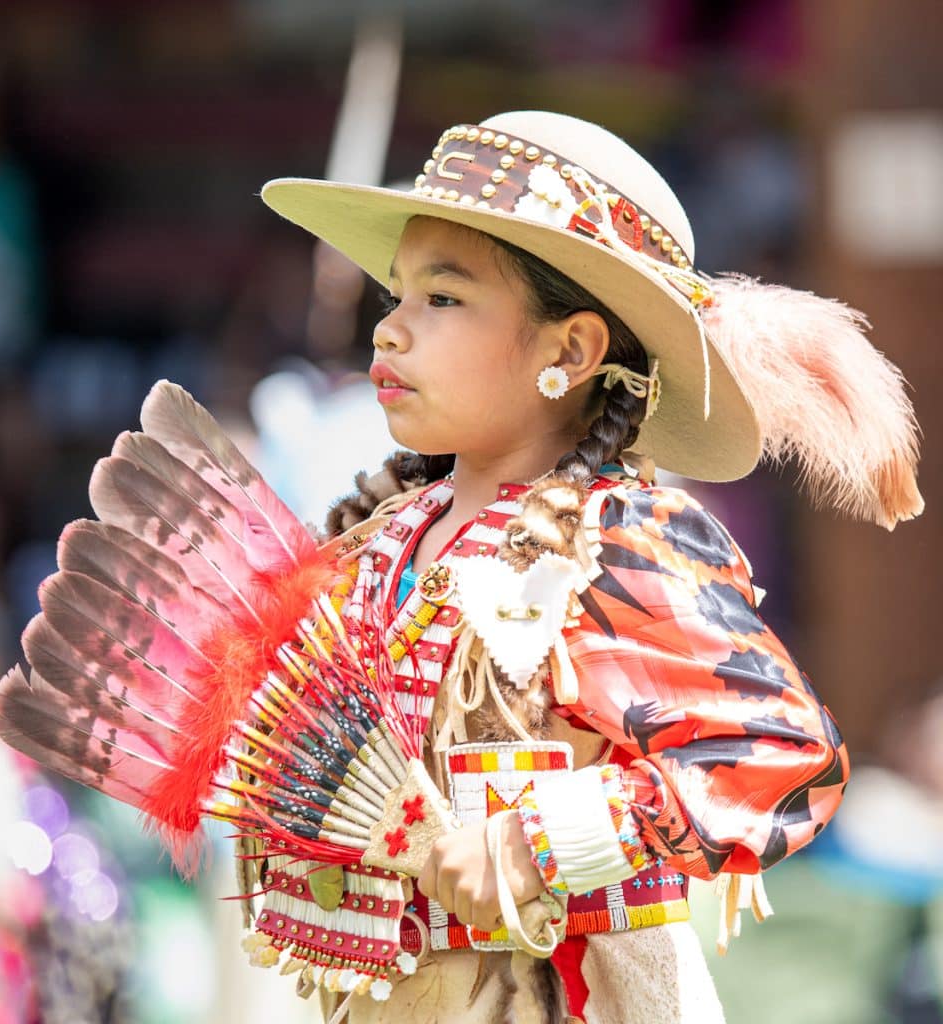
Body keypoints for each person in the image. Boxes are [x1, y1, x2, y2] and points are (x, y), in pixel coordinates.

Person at [248, 110, 922, 1024]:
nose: (391, 332)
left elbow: (782, 755)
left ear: (569, 350)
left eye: (442, 299)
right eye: (394, 297)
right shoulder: (380, 539)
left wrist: (539, 841)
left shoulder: (616, 541)